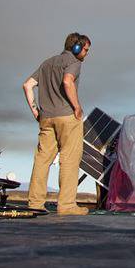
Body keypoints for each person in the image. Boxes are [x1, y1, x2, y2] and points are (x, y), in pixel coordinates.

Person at [23, 32, 91, 216]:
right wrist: (77, 107)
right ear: (76, 47)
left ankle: (35, 204)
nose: (86, 54)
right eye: (85, 49)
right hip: (67, 118)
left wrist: (36, 111)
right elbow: (67, 81)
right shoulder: (74, 63)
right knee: (69, 159)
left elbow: (27, 85)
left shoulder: (47, 63)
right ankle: (67, 205)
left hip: (46, 118)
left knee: (42, 160)